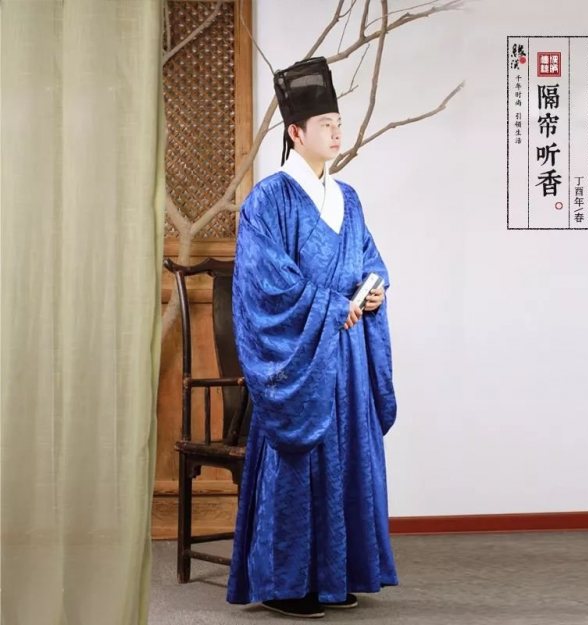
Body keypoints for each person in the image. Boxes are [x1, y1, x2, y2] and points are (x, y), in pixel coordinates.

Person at [226, 56, 398, 619]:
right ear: (296, 133)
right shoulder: (268, 200)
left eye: (338, 123)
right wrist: (330, 307)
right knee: (299, 463)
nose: (337, 133)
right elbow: (266, 285)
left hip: (345, 355)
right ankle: (286, 584)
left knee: (347, 458)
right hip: (300, 358)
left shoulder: (348, 198)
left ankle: (335, 577)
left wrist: (374, 290)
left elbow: (370, 259)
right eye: (326, 125)